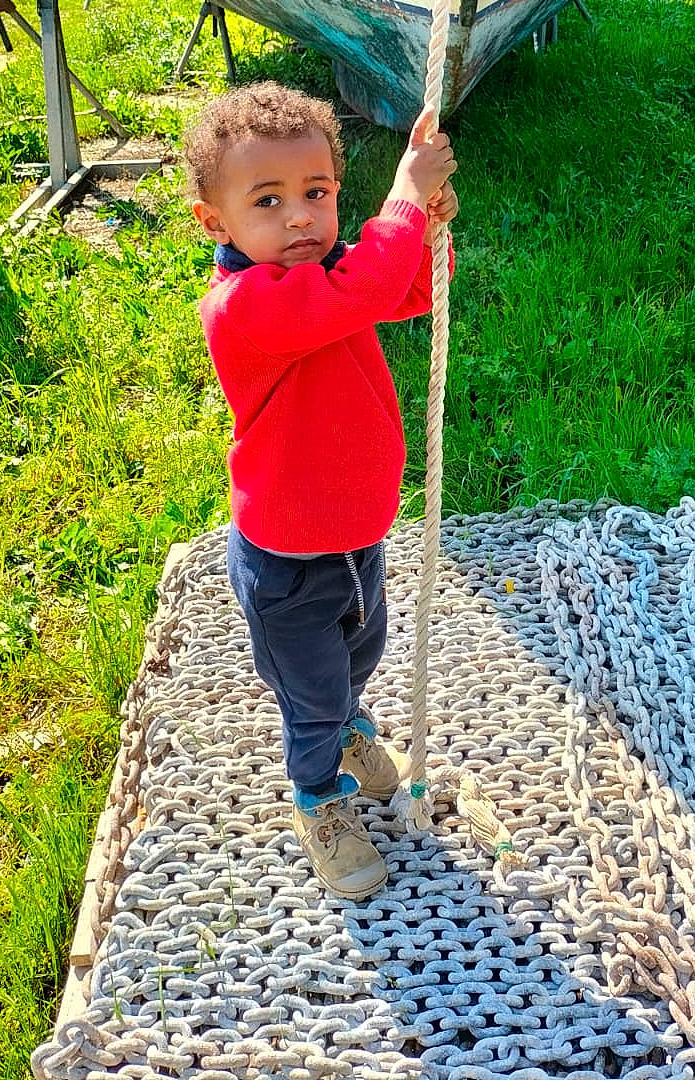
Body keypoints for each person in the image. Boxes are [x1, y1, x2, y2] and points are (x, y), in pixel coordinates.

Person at [185, 81, 457, 899]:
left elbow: (403, 287)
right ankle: (319, 798)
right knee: (310, 694)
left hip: (355, 536)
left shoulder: (331, 275)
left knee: (360, 653)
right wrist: (400, 201)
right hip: (287, 562)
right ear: (216, 222)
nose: (300, 215)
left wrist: (428, 222)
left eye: (317, 193)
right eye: (268, 201)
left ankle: (347, 726)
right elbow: (369, 286)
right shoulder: (244, 308)